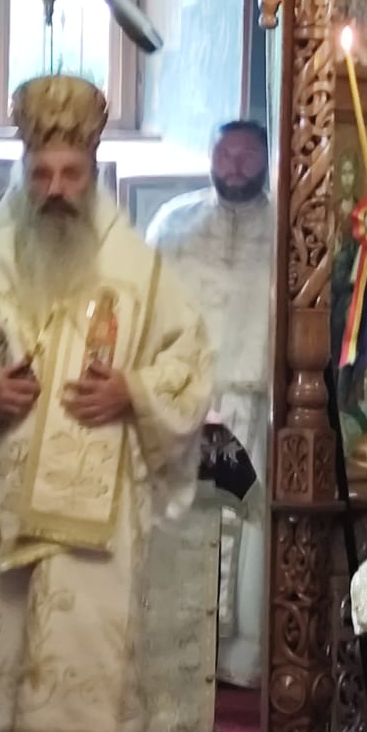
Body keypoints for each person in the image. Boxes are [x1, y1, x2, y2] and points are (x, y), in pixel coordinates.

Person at [0, 73, 213, 732]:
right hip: (11, 532)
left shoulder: (137, 266)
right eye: (41, 173)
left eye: (70, 174)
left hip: (101, 537)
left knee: (90, 715)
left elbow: (189, 366)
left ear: (93, 172)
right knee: (17, 714)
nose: (55, 190)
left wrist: (134, 392)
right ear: (25, 170)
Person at [145, 120, 273, 688]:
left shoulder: (287, 227)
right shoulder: (173, 223)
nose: (236, 167)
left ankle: (241, 658)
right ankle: (176, 645)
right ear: (211, 157)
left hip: (253, 402)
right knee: (182, 520)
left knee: (249, 531)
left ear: (265, 160)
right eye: (226, 155)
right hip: (186, 402)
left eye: (247, 156)